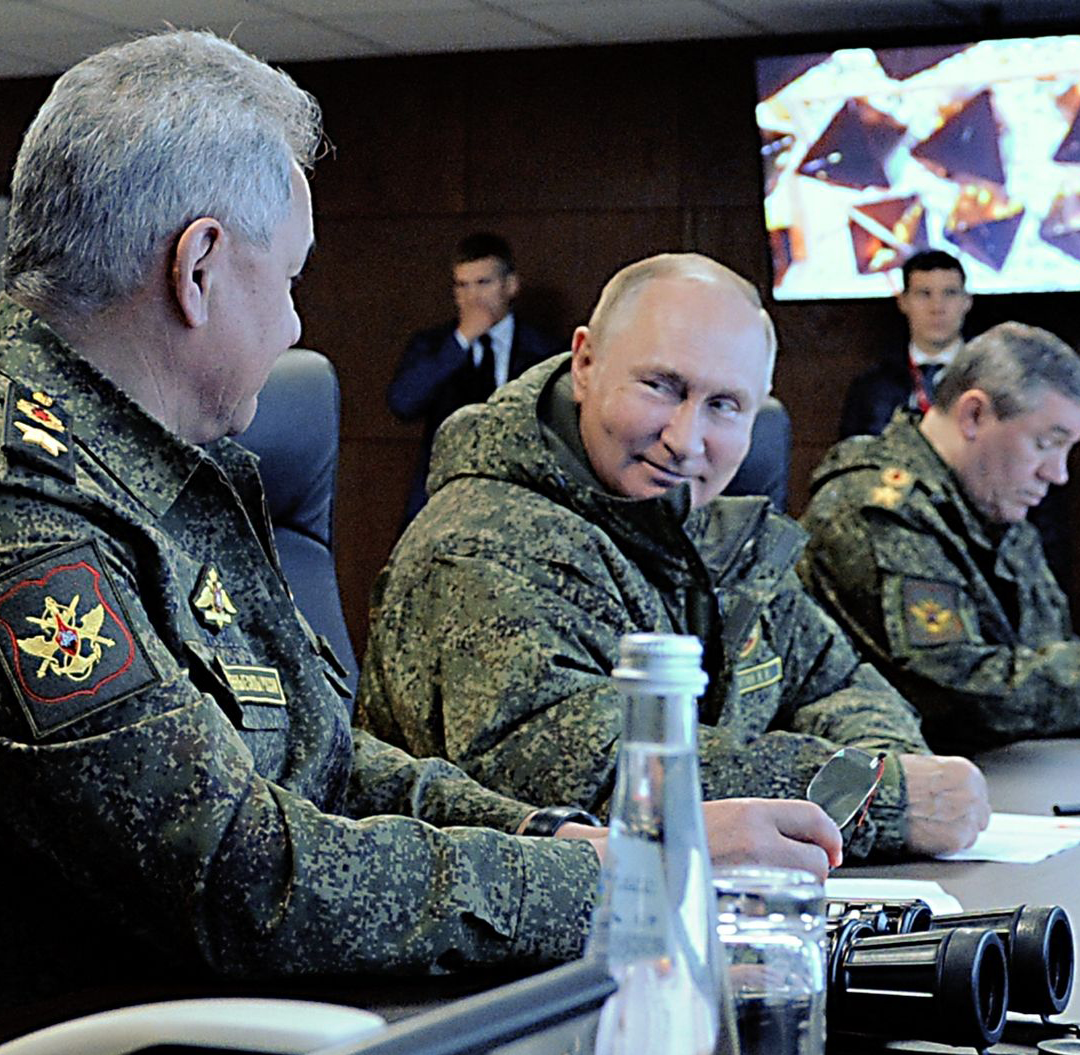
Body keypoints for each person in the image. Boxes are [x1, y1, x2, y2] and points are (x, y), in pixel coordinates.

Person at [0, 35, 840, 1055]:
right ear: (197, 268)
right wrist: (622, 884)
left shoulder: (170, 472)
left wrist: (572, 846)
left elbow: (327, 760)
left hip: (162, 1049)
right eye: (288, 281)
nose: (292, 326)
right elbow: (244, 882)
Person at [357, 253, 990, 861]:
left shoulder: (701, 525)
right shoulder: (480, 545)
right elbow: (593, 780)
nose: (685, 442)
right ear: (584, 363)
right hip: (542, 961)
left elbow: (839, 682)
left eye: (724, 406)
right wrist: (878, 795)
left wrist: (884, 770)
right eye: (661, 387)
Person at [801, 321, 1080, 752]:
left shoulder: (988, 500)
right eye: (1045, 443)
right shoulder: (875, 507)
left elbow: (1039, 661)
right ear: (974, 415)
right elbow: (955, 690)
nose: (1057, 473)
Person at [386, 232, 563, 520]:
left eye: (483, 283)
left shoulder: (546, 350)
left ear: (511, 285)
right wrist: (461, 340)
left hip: (521, 498)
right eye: (462, 285)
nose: (472, 297)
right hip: (446, 498)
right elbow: (403, 402)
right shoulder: (435, 346)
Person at [837, 250, 971, 441]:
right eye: (924, 294)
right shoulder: (872, 387)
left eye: (949, 293)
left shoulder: (990, 379)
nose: (937, 307)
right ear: (903, 302)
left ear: (967, 301)